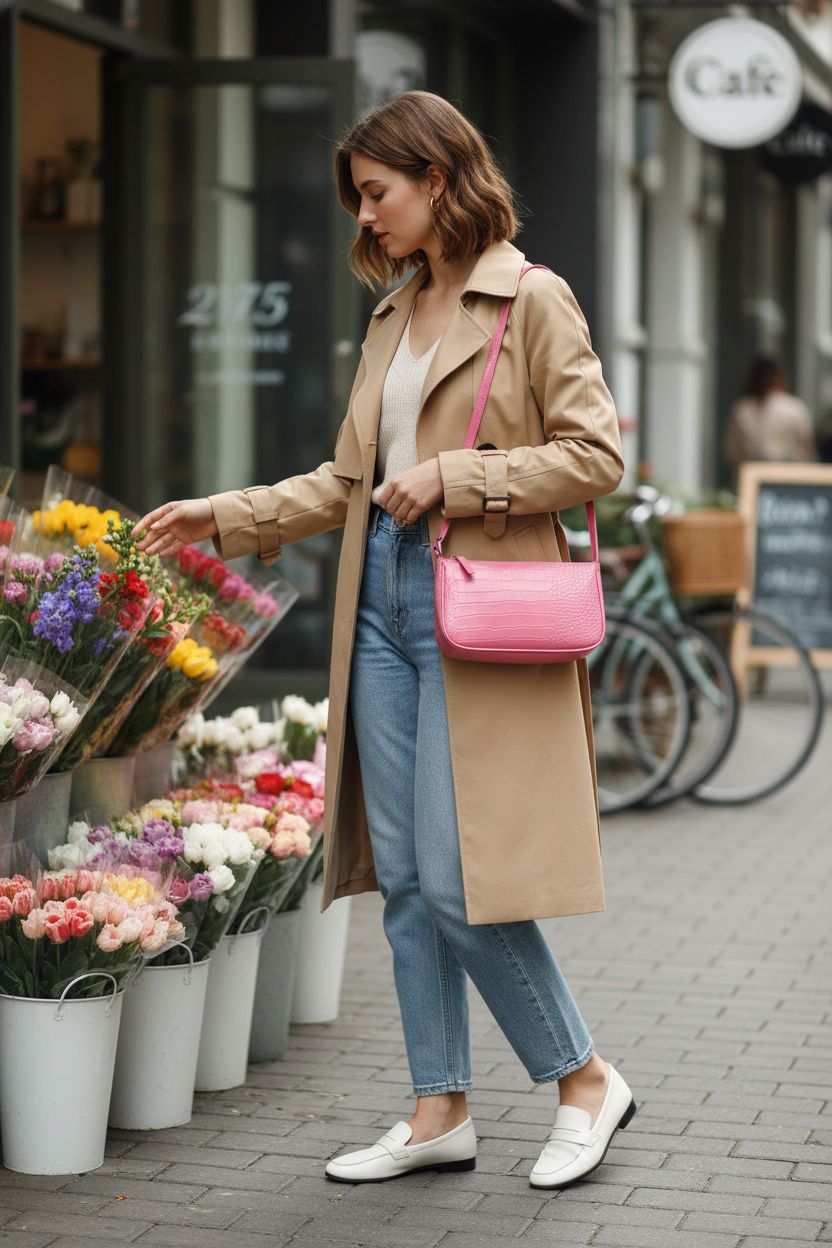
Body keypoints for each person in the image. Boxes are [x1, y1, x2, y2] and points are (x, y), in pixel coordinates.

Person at [135, 90, 634, 1190]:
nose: (364, 220)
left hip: (479, 605)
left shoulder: (532, 298)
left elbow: (596, 457)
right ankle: (437, 1106)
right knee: (404, 880)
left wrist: (459, 477)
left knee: (459, 881)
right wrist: (227, 513)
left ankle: (584, 1079)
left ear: (438, 179)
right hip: (382, 607)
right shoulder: (392, 315)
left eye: (377, 194)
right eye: (358, 200)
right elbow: (349, 482)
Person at [725, 355, 816, 481]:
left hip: (752, 478)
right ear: (779, 378)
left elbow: (732, 453)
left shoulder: (741, 409)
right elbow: (807, 448)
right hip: (788, 478)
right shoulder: (793, 408)